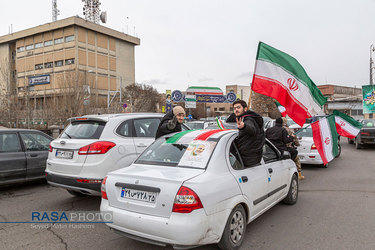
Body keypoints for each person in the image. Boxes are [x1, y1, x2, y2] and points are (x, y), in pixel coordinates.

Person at [231, 100, 265, 168]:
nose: (236, 110)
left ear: (245, 109)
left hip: (248, 161)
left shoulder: (249, 119)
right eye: (234, 108)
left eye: (238, 107)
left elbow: (252, 129)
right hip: (248, 158)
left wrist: (244, 126)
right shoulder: (244, 118)